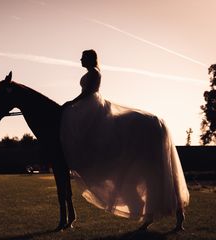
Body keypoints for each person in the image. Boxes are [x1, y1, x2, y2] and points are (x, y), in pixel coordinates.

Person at [60, 49, 189, 232]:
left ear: (89, 59)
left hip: (93, 106)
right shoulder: (90, 73)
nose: (80, 59)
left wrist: (69, 103)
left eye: (83, 57)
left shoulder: (95, 73)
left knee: (81, 128)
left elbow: (88, 93)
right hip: (88, 105)